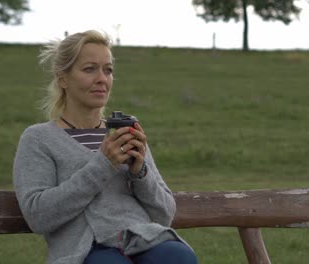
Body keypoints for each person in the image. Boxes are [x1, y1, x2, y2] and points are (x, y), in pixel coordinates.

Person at [13, 30, 198, 264]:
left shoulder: (123, 132)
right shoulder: (38, 139)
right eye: (90, 69)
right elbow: (38, 216)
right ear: (63, 78)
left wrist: (140, 173)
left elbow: (165, 214)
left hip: (143, 239)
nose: (102, 78)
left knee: (179, 256)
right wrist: (103, 165)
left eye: (108, 70)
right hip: (84, 250)